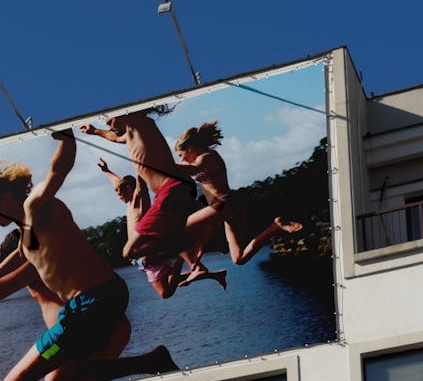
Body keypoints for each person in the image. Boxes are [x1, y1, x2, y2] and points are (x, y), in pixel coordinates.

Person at [0, 130, 178, 381]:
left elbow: (58, 170)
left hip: (92, 302)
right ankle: (152, 362)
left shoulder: (35, 205)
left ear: (2, 199)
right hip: (89, 306)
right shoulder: (27, 227)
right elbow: (21, 255)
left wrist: (66, 137)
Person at [79, 109, 219, 285]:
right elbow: (113, 137)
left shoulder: (139, 123)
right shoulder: (128, 135)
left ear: (122, 114)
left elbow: (127, 110)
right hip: (173, 190)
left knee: (129, 252)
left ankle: (187, 241)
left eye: (109, 122)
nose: (109, 127)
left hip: (171, 189)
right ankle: (191, 244)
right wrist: (95, 131)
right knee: (146, 248)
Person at [174, 121, 304, 264]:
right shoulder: (195, 160)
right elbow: (183, 169)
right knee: (238, 259)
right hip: (227, 207)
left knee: (179, 227)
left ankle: (201, 255)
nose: (181, 159)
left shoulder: (207, 156)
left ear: (190, 148)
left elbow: (192, 169)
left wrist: (160, 164)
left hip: (224, 203)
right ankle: (275, 227)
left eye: (181, 154)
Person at [96, 162, 226, 298]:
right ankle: (213, 274)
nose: (118, 196)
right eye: (116, 193)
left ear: (129, 188)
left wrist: (138, 162)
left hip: (148, 254)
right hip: (144, 256)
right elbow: (117, 182)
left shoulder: (139, 199)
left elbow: (140, 182)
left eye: (119, 193)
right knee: (170, 281)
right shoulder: (129, 204)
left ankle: (182, 257)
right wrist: (106, 170)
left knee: (165, 293)